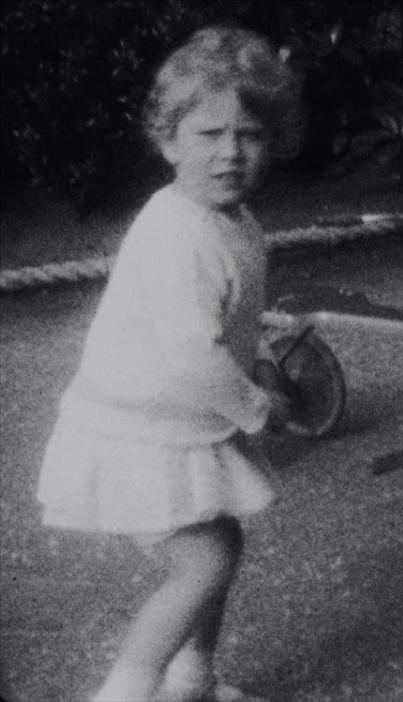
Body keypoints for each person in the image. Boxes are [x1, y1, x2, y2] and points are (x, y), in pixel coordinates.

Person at [36, 25, 303, 702]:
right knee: (203, 563)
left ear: (273, 142)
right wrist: (258, 407)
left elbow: (239, 319)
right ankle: (124, 693)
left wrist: (265, 361)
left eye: (250, 135)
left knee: (220, 549)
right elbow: (192, 356)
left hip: (177, 424)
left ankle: (192, 681)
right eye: (209, 135)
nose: (230, 154)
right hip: (135, 431)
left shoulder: (234, 222)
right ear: (168, 142)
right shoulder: (175, 233)